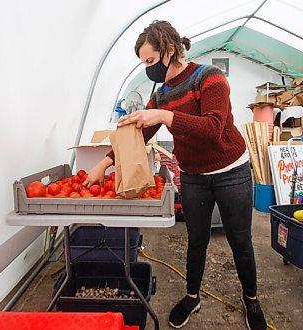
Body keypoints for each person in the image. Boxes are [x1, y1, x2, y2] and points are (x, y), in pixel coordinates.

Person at [83, 20, 267, 330]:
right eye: (143, 63)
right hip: (193, 174)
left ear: (170, 50)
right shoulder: (161, 93)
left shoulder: (210, 78)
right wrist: (104, 164)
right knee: (196, 240)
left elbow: (212, 129)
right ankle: (192, 296)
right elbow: (140, 137)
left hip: (230, 170)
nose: (148, 69)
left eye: (151, 61)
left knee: (240, 240)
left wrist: (163, 115)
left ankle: (251, 300)